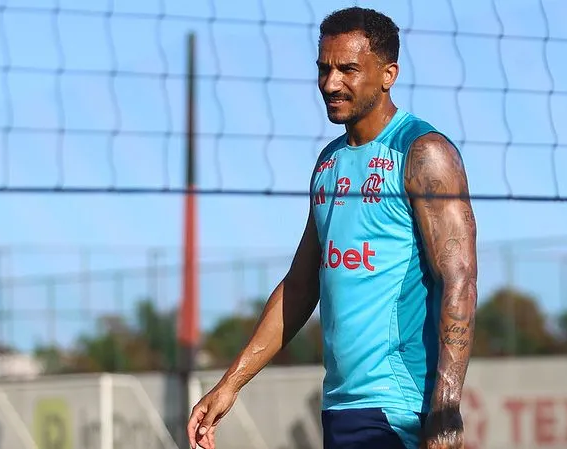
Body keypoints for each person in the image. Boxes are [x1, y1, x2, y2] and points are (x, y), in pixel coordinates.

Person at [187, 6, 477, 449]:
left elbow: (460, 280)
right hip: (340, 406)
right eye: (324, 68)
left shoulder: (423, 153)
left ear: (388, 74)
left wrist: (446, 406)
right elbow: (301, 285)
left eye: (348, 70)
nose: (330, 83)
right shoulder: (328, 163)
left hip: (400, 408)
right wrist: (230, 384)